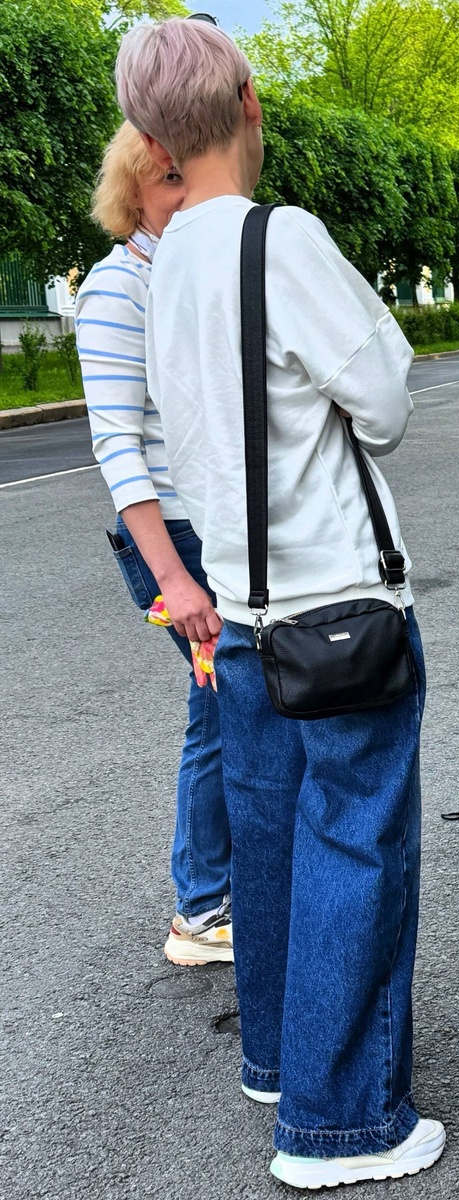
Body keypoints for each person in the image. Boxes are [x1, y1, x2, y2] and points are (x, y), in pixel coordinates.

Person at [114, 16, 444, 1189]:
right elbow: (389, 402)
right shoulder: (279, 238)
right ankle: (341, 1124)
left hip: (242, 616)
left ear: (151, 139)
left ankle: (278, 1056)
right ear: (250, 104)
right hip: (337, 608)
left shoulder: (161, 265)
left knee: (269, 843)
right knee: (356, 843)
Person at [74, 122, 232, 966]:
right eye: (168, 179)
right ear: (133, 191)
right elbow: (117, 447)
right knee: (221, 713)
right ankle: (202, 912)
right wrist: (177, 581)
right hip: (175, 543)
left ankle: (213, 898)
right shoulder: (115, 289)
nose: (185, 192)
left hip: (209, 529)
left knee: (227, 709)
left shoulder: (176, 276)